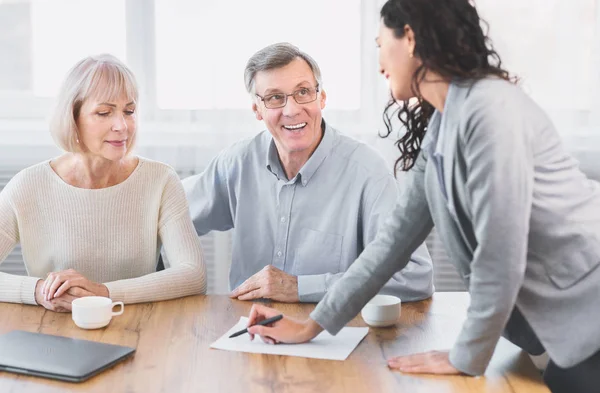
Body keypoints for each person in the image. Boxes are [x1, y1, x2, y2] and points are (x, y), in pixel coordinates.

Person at [242, 1, 600, 392]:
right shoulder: (447, 123)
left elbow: (501, 256)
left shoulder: (491, 111)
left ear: (409, 38)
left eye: (380, 43)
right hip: (566, 333)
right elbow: (392, 242)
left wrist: (464, 356)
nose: (378, 59)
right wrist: (313, 323)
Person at [181, 42, 433, 303]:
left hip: (331, 334)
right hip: (244, 329)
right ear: (257, 110)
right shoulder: (237, 163)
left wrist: (300, 287)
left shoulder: (368, 173)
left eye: (303, 92)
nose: (291, 110)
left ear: (321, 97)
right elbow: (167, 212)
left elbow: (413, 274)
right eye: (275, 98)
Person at [0, 54, 207, 312]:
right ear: (73, 117)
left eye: (129, 111)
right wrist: (38, 290)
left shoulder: (160, 180)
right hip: (54, 332)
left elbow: (193, 274)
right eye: (104, 112)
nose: (122, 126)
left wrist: (103, 292)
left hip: (138, 326)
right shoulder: (28, 186)